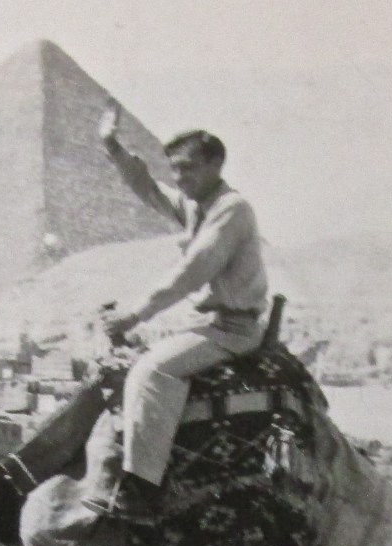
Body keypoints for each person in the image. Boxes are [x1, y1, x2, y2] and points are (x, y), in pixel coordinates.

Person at [82, 100, 269, 524]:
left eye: (188, 168)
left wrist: (133, 316)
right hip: (207, 323)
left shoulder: (231, 210)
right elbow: (148, 188)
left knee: (151, 372)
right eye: (176, 170)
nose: (180, 179)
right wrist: (112, 147)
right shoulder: (197, 205)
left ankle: (142, 492)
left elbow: (192, 271)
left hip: (232, 330)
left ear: (217, 164)